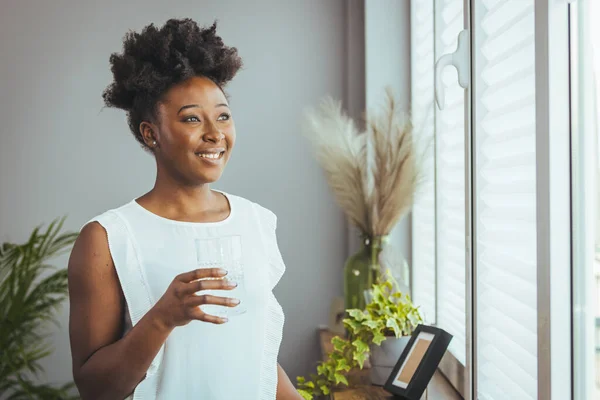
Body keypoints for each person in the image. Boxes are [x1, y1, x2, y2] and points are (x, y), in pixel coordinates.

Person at [67, 18, 302, 400]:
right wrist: (162, 317)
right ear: (150, 133)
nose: (215, 133)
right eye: (192, 118)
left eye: (223, 115)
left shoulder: (257, 222)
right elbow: (95, 389)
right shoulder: (108, 239)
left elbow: (252, 354)